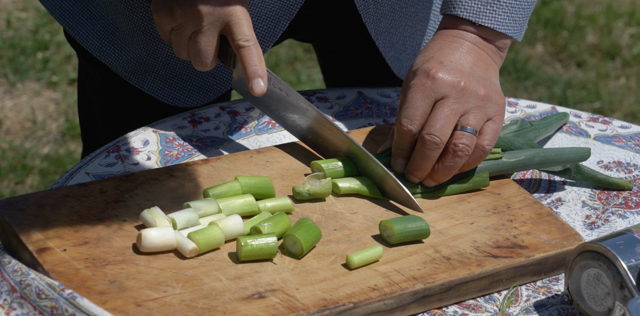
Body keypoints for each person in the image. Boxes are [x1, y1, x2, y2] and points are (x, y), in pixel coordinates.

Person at [40, 0, 536, 186]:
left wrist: (477, 32)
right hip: (158, 23)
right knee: (131, 196)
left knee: (414, 144)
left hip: (391, 10)